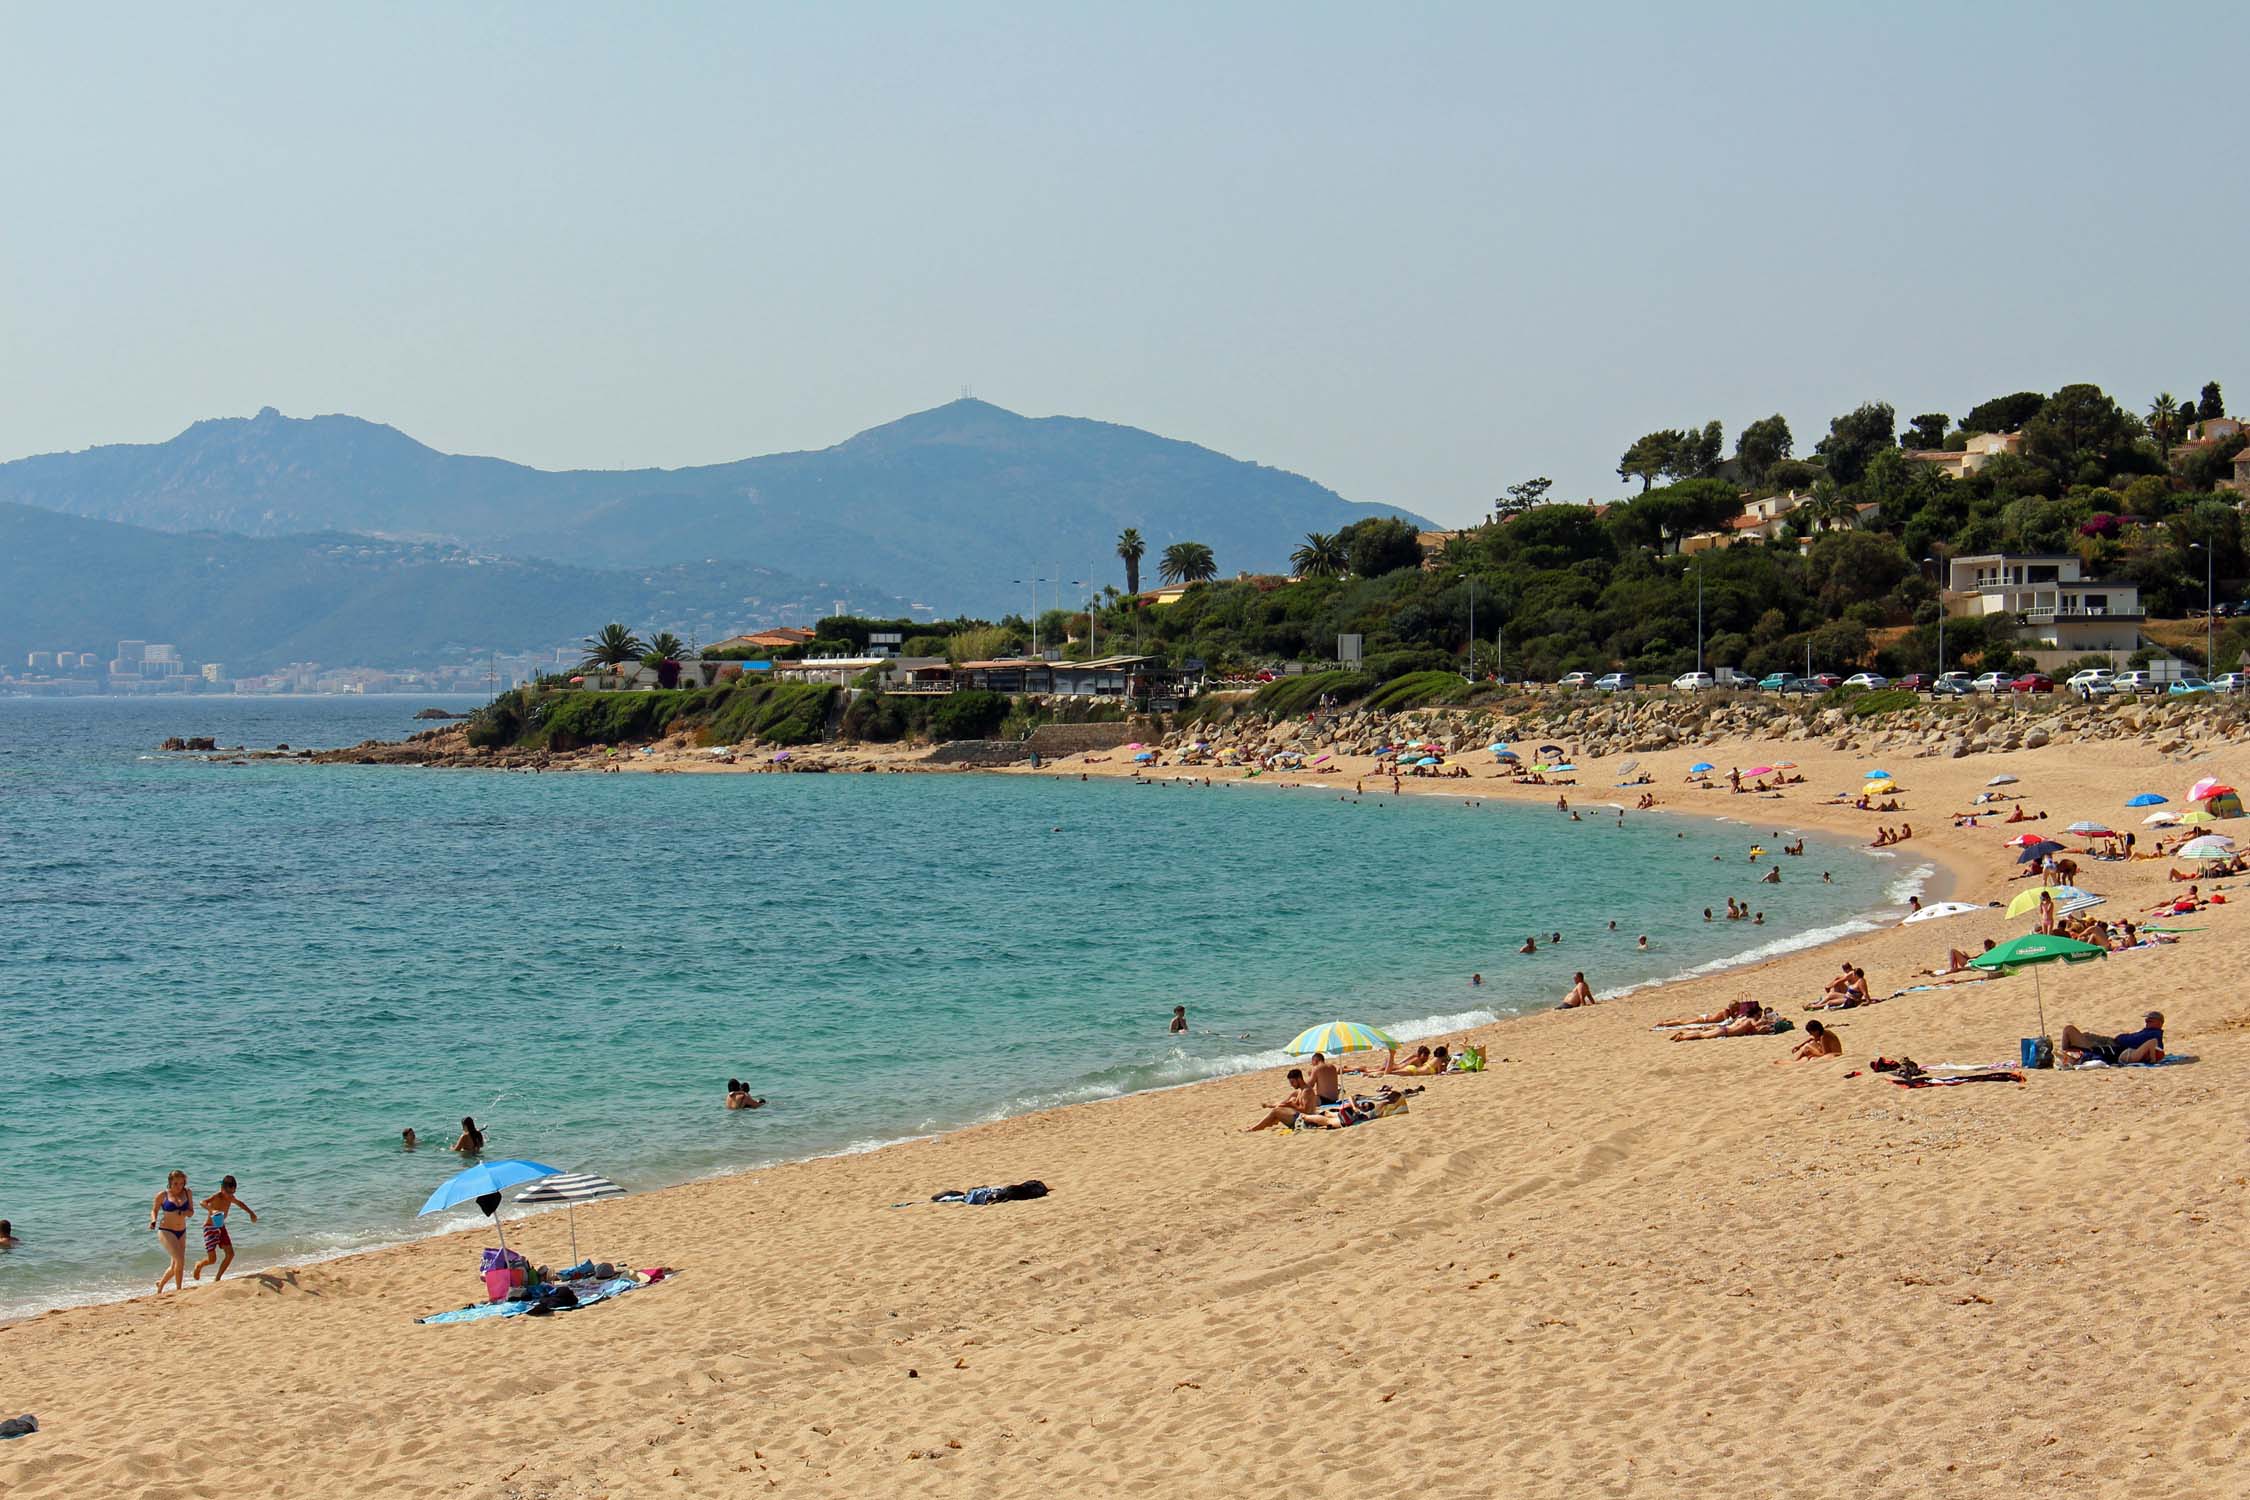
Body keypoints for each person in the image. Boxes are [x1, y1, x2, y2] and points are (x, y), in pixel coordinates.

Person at [192, 1175, 257, 1282]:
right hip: (210, 1228)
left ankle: (217, 1278)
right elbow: (202, 1202)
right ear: (222, 1189)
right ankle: (199, 1265)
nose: (230, 1196)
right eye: (228, 1193)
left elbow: (241, 1204)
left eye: (233, 1193)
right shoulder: (217, 1196)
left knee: (230, 1254)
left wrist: (251, 1213)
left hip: (221, 1227)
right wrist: (211, 1210)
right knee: (212, 1260)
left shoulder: (231, 1198)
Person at [1244, 1070, 1341, 1132]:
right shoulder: (1301, 1091)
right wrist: (1289, 1104)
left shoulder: (1307, 1091)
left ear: (1299, 1079)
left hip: (1306, 1121)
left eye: (1292, 1082)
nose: (1291, 1085)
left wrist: (1292, 1105)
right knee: (1280, 1107)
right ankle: (1263, 1125)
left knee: (1276, 1111)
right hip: (1302, 1117)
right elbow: (1289, 1103)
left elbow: (1306, 1111)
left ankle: (1254, 1129)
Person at [2060, 1012, 2165, 1066]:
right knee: (2085, 1035)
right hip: (2113, 1045)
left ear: (2159, 1023)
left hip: (2113, 1046)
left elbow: (2132, 1042)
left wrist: (2122, 1038)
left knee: (2069, 1030)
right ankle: (2067, 1053)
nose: (2146, 1022)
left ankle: (2065, 1052)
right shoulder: (2148, 1032)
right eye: (2146, 1021)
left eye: (2150, 1021)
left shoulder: (2153, 1035)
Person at [150, 1170, 193, 1295]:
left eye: (181, 1183)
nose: (179, 1187)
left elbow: (191, 1212)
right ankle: (179, 1290)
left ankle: (160, 1284)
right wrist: (153, 1221)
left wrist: (185, 1213)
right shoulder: (162, 1195)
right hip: (166, 1230)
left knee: (175, 1264)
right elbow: (154, 1210)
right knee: (180, 1260)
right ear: (170, 1182)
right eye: (175, 1184)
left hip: (182, 1231)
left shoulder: (187, 1192)